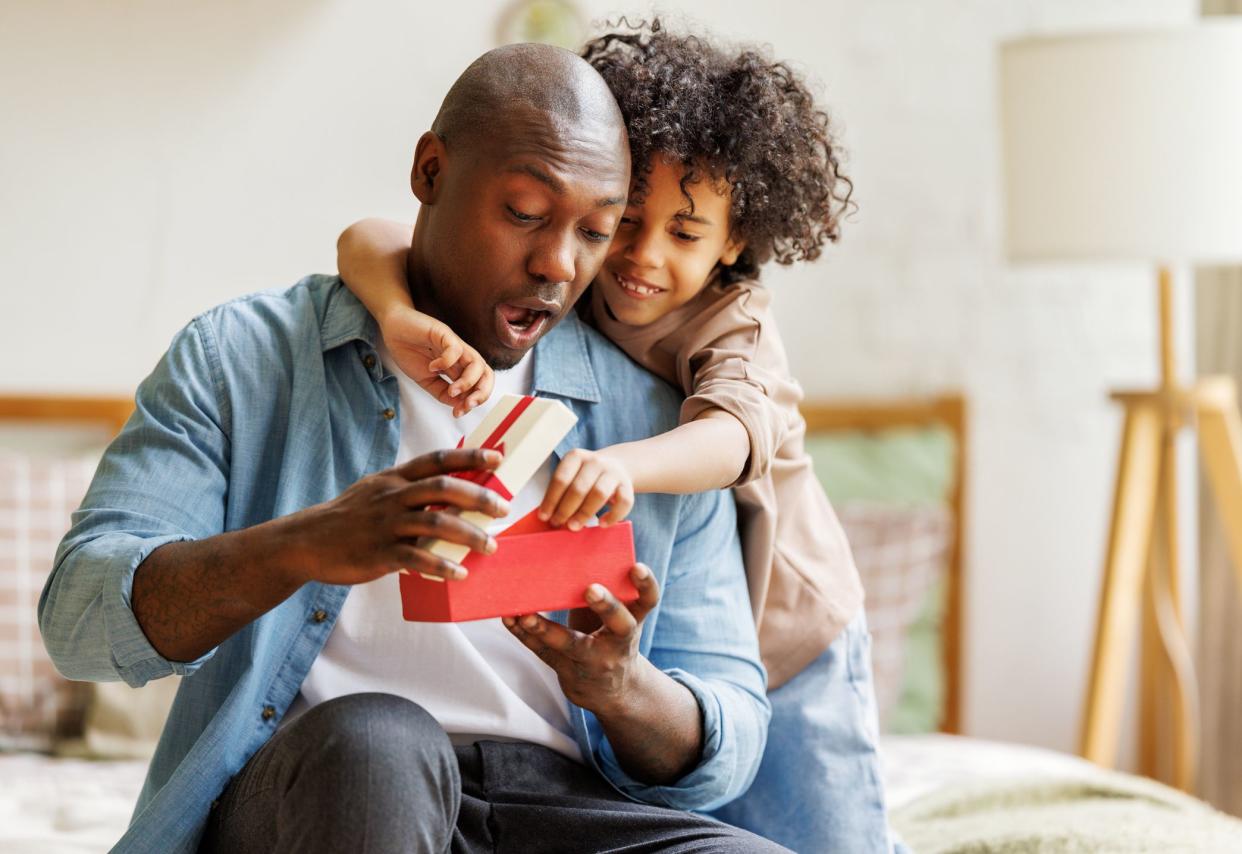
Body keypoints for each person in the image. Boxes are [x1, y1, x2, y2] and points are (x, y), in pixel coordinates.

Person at [39, 43, 788, 854]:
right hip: (323, 785)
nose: (558, 265)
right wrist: (308, 543)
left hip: (556, 803)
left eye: (596, 231)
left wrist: (621, 687)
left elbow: (732, 740)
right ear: (430, 172)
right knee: (379, 743)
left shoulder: (656, 421)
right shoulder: (241, 359)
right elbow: (81, 621)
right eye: (526, 214)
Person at [337, 21, 897, 853]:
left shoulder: (733, 323)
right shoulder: (572, 276)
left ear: (735, 242)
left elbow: (732, 437)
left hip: (790, 628)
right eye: (625, 220)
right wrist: (397, 316)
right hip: (688, 646)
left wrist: (619, 465)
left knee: (829, 838)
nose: (639, 257)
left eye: (685, 232)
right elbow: (370, 239)